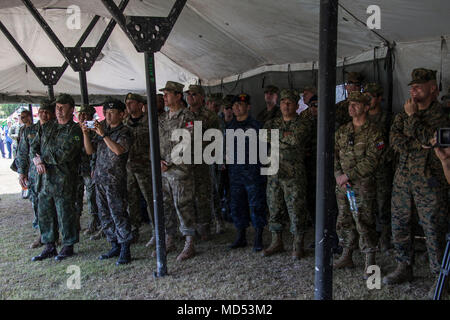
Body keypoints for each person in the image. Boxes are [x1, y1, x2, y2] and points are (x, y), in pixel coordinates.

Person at [383, 68, 448, 290]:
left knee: (433, 229)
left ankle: (440, 276)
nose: (413, 89)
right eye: (412, 86)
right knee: (400, 225)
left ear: (433, 88)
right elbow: (395, 142)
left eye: (419, 85)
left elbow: (434, 141)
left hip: (430, 182)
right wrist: (419, 144)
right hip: (403, 181)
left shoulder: (443, 115)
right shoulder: (402, 114)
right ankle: (404, 267)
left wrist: (413, 119)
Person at [333, 91, 385, 278]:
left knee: (364, 221)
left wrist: (348, 175)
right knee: (344, 220)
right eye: (350, 104)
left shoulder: (374, 132)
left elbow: (373, 160)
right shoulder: (343, 131)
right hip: (343, 185)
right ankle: (347, 254)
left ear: (365, 107)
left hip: (362, 185)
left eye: (355, 104)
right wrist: (339, 175)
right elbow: (334, 155)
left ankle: (370, 261)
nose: (351, 107)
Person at [30, 94, 83, 262]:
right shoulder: (48, 127)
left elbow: (66, 154)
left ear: (71, 109)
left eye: (62, 107)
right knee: (45, 213)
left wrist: (42, 158)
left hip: (64, 180)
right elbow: (34, 146)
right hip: (45, 180)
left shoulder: (74, 130)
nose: (59, 111)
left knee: (65, 213)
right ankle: (49, 245)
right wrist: (36, 159)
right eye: (57, 107)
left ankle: (68, 245)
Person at [82, 98, 133, 265]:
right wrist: (85, 133)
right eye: (106, 113)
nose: (108, 116)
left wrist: (102, 134)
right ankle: (114, 245)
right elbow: (90, 151)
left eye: (112, 113)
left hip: (115, 180)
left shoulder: (124, 131)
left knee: (118, 213)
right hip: (100, 178)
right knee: (104, 214)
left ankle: (125, 247)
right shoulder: (102, 130)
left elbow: (119, 151)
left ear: (121, 114)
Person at [262, 89, 312, 259]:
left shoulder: (302, 123)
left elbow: (296, 139)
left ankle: (297, 245)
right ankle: (277, 241)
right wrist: (285, 137)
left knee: (296, 208)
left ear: (297, 105)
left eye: (290, 102)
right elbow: (263, 135)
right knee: (274, 207)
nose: (286, 105)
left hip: (293, 174)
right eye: (283, 102)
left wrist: (276, 137)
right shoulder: (272, 122)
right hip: (274, 172)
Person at [159, 81, 197, 261]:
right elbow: (157, 142)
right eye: (164, 94)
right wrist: (159, 161)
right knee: (166, 205)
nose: (164, 97)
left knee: (183, 205)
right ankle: (170, 239)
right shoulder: (163, 118)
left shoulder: (187, 116)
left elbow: (188, 142)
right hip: (163, 171)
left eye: (168, 93)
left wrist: (169, 162)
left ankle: (189, 242)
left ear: (178, 95)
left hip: (180, 169)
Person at [226, 93, 267, 251]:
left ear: (248, 107)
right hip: (236, 174)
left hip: (253, 174)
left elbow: (265, 149)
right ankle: (241, 236)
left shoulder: (257, 126)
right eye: (234, 105)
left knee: (256, 205)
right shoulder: (230, 126)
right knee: (237, 205)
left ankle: (258, 237)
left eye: (240, 104)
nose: (236, 107)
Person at [185, 84, 222, 240]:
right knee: (187, 196)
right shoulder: (183, 115)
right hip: (185, 162)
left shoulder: (210, 116)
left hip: (203, 162)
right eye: (188, 94)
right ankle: (190, 229)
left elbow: (217, 139)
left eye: (194, 94)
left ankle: (205, 227)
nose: (190, 97)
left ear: (201, 97)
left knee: (203, 195)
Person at [17, 103, 53, 249]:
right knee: (38, 206)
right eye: (42, 111)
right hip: (35, 176)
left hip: (54, 175)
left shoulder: (58, 129)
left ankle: (56, 236)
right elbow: (23, 152)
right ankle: (43, 235)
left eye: (48, 112)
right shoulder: (30, 131)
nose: (44, 114)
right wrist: (21, 171)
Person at [364, 83, 394, 252]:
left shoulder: (388, 118)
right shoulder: (361, 118)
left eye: (372, 95)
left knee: (383, 205)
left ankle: (384, 237)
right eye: (366, 95)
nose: (368, 99)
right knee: (366, 206)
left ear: (379, 98)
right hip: (365, 171)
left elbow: (392, 143)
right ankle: (369, 240)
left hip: (382, 169)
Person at [124, 92, 155, 245]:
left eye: (132, 102)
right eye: (127, 103)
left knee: (151, 199)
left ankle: (157, 230)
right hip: (129, 167)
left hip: (146, 168)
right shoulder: (124, 122)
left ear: (140, 105)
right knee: (132, 200)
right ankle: (134, 229)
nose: (128, 106)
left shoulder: (150, 121)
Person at [75, 105, 100, 237]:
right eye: (81, 114)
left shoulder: (95, 130)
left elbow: (95, 151)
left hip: (89, 168)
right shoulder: (74, 129)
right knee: (76, 197)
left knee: (91, 197)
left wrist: (94, 167)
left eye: (86, 115)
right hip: (76, 169)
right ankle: (76, 222)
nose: (83, 117)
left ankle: (94, 222)